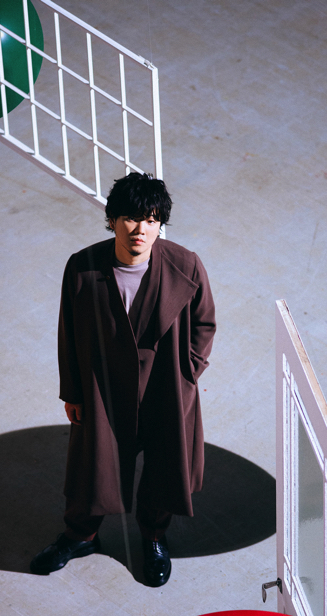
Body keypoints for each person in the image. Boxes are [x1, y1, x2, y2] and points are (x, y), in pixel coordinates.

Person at [30, 172, 216, 587]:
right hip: (104, 387)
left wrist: (189, 371)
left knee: (165, 465)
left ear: (159, 224)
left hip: (166, 384)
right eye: (131, 218)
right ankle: (80, 535)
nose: (140, 229)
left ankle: (153, 536)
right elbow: (68, 333)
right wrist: (73, 391)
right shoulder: (83, 267)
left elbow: (204, 322)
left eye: (151, 220)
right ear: (112, 220)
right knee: (92, 466)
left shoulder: (185, 265)